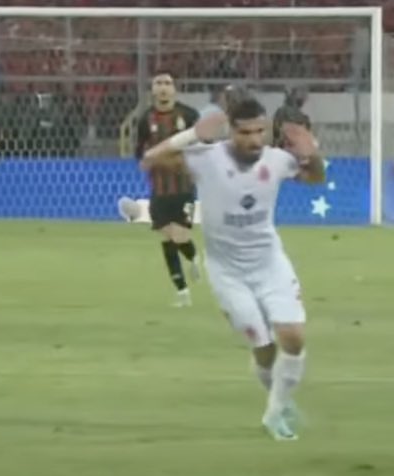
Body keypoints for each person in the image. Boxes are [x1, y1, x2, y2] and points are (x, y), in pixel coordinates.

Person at [141, 96, 326, 441]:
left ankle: (274, 413)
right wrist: (192, 135)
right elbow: (150, 160)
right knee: (264, 348)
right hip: (227, 272)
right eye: (245, 133)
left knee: (293, 338)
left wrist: (311, 152)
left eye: (260, 131)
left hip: (269, 263)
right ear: (230, 131)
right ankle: (279, 400)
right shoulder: (207, 158)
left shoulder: (277, 160)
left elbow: (315, 178)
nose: (254, 140)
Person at [133, 71, 202, 307]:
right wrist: (154, 160)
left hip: (184, 188)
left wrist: (161, 159)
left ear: (174, 89)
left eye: (167, 83)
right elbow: (141, 155)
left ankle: (194, 257)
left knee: (179, 236)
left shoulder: (189, 116)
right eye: (158, 83)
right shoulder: (145, 120)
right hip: (160, 189)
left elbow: (199, 150)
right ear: (153, 90)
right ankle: (182, 292)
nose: (163, 88)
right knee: (167, 238)